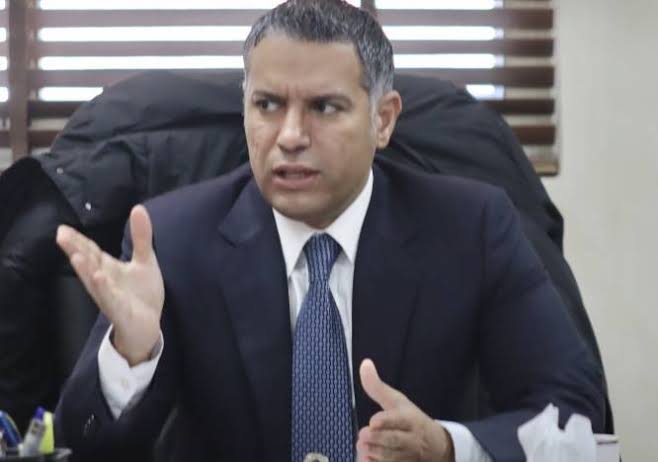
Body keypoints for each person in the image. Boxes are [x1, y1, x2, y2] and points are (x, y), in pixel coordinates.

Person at [54, 1, 605, 461]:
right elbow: (87, 445)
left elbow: (573, 411)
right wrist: (132, 353)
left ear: (382, 120)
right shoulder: (173, 240)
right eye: (268, 105)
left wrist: (447, 447)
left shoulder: (471, 227)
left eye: (324, 107)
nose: (290, 135)